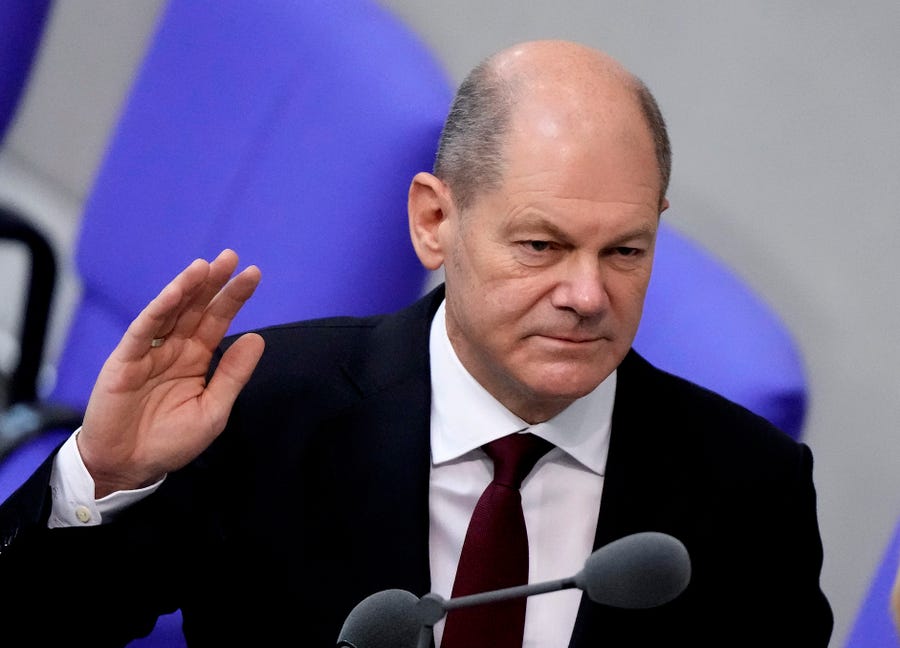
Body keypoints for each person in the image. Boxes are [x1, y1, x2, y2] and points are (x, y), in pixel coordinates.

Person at [0, 39, 832, 646]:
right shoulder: (262, 406)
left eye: (626, 251)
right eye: (541, 246)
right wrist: (101, 479)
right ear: (435, 220)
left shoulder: (751, 491)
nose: (587, 296)